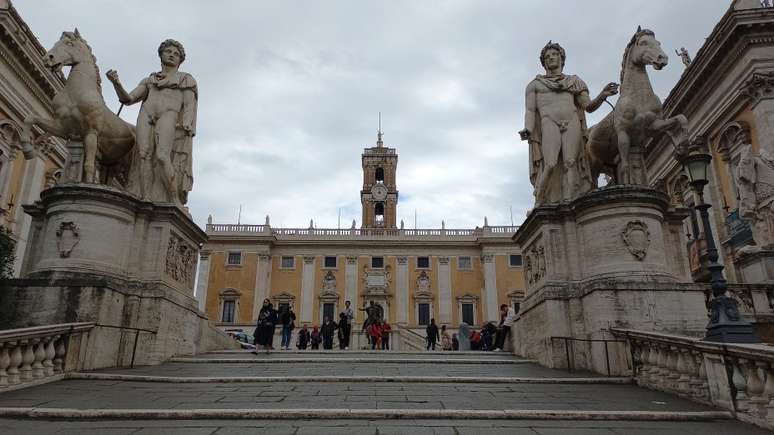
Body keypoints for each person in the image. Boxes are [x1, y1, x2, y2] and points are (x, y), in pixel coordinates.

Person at [519, 41, 618, 205]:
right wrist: (528, 129)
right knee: (550, 163)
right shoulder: (535, 85)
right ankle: (540, 200)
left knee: (570, 163)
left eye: (554, 55)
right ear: (543, 62)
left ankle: (569, 201)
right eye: (547, 56)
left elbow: (588, 106)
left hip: (571, 120)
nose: (551, 58)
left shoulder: (574, 81)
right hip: (548, 121)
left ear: (561, 59)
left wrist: (603, 95)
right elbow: (530, 110)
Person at [106, 39, 197, 205]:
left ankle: (173, 199)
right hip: (146, 114)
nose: (172, 55)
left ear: (180, 60)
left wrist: (187, 123)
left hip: (169, 114)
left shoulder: (186, 79)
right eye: (168, 51)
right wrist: (116, 83)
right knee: (143, 155)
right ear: (161, 55)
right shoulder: (149, 80)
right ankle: (145, 198)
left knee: (163, 156)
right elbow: (128, 99)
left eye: (176, 54)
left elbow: (189, 105)